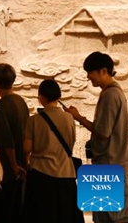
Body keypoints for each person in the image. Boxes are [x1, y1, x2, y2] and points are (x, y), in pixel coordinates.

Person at [66, 52, 128, 223]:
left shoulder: (110, 95)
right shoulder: (113, 92)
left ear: (103, 70)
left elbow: (103, 132)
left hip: (110, 165)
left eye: (90, 72)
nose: (88, 76)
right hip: (110, 164)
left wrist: (78, 117)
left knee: (112, 217)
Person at [23, 80, 83, 223]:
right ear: (58, 97)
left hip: (41, 173)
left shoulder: (34, 120)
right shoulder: (69, 118)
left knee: (42, 215)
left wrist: (26, 163)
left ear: (41, 97)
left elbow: (26, 148)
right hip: (66, 173)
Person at [0, 63, 29, 223]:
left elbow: (6, 140)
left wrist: (13, 165)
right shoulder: (20, 101)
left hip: (9, 168)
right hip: (21, 164)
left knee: (3, 212)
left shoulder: (2, 106)